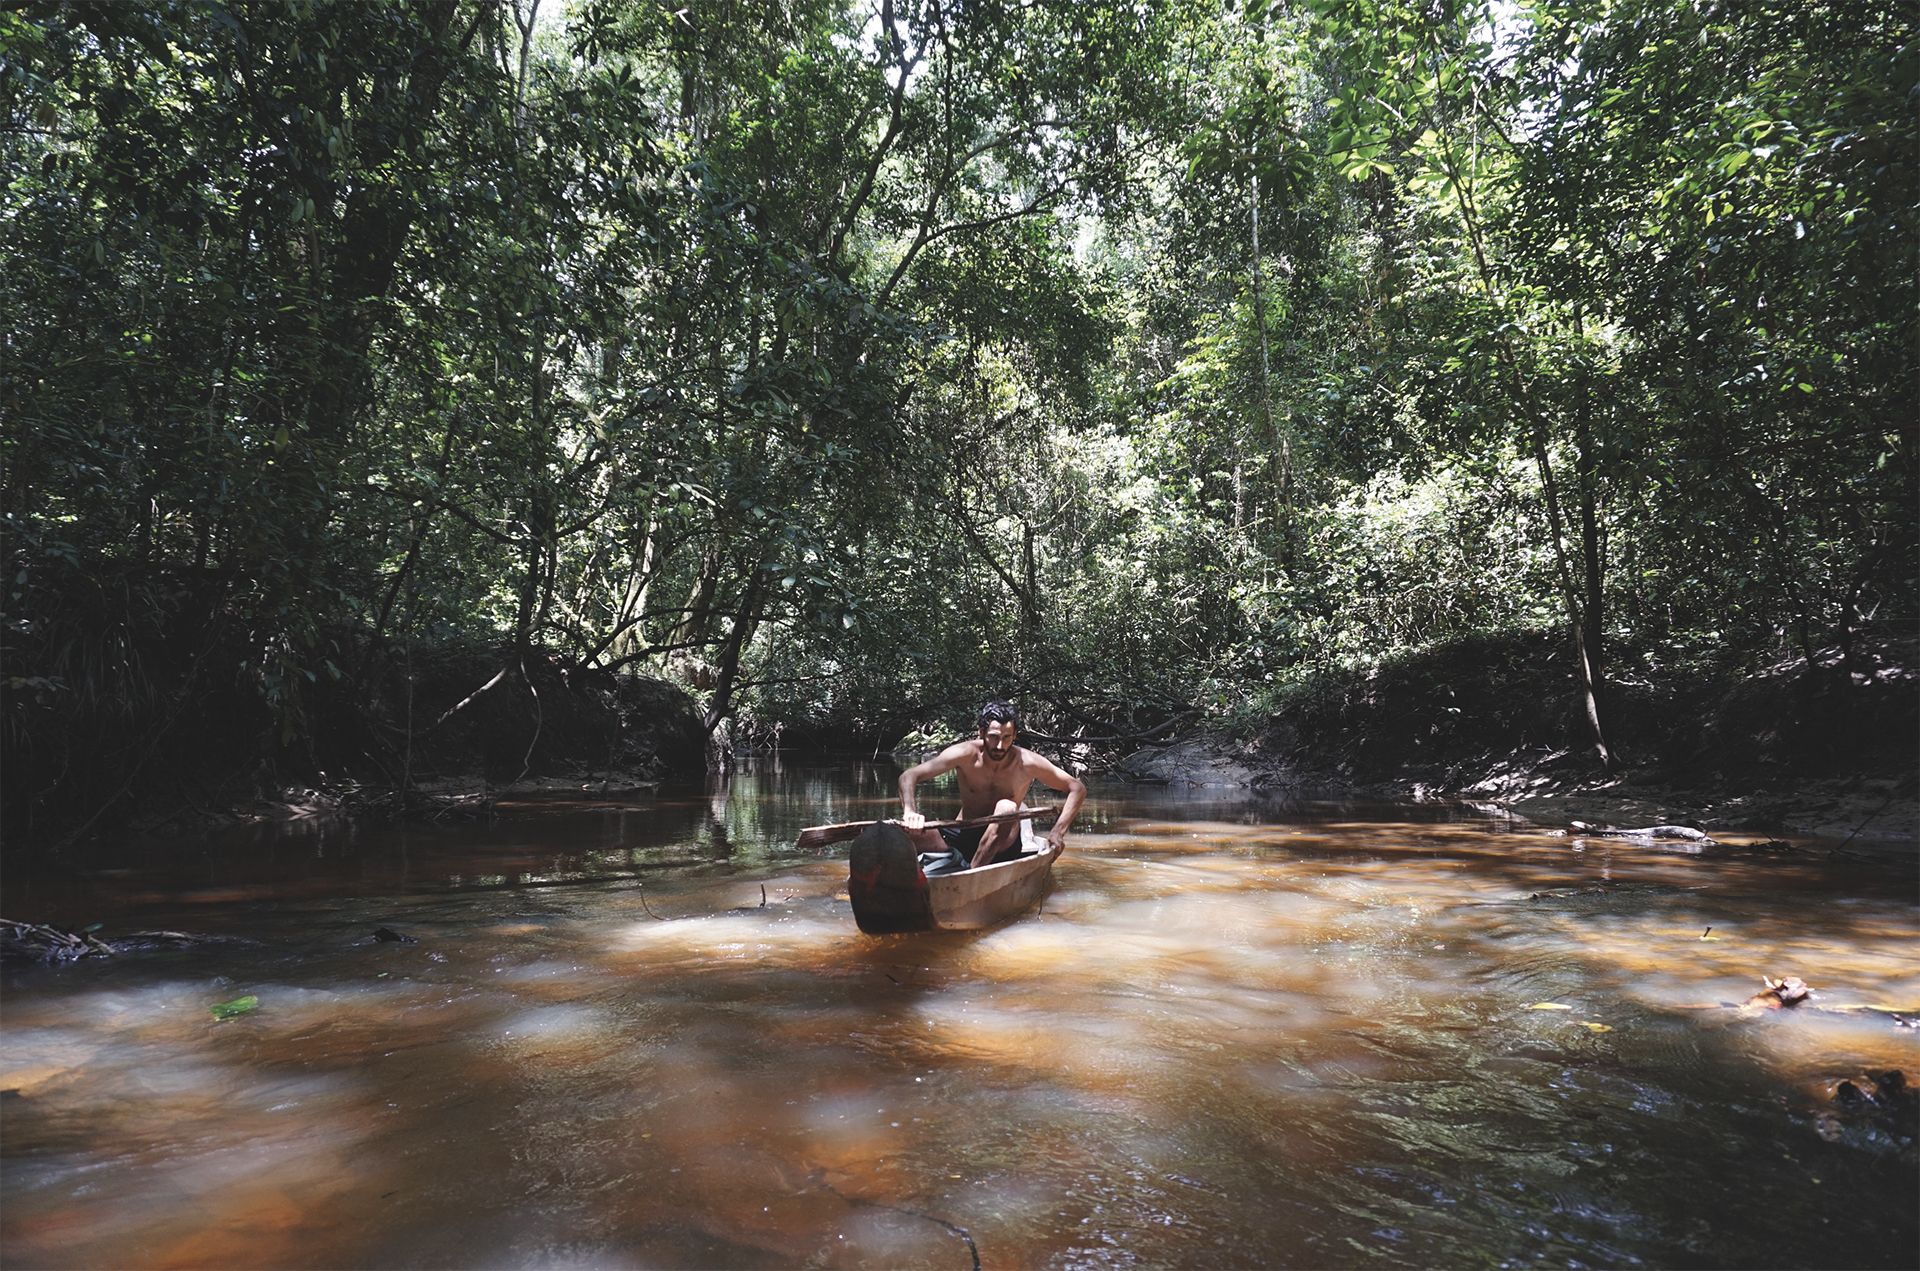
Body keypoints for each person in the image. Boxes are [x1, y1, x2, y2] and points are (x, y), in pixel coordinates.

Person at [897, 700, 1087, 870]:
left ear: (1014, 736)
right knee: (911, 832)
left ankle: (971, 875)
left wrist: (1057, 832)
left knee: (1006, 807)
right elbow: (908, 776)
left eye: (1006, 738)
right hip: (964, 832)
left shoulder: (1027, 762)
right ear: (981, 732)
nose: (1000, 745)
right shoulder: (964, 754)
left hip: (1004, 842)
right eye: (994, 737)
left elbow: (1076, 788)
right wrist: (910, 812)